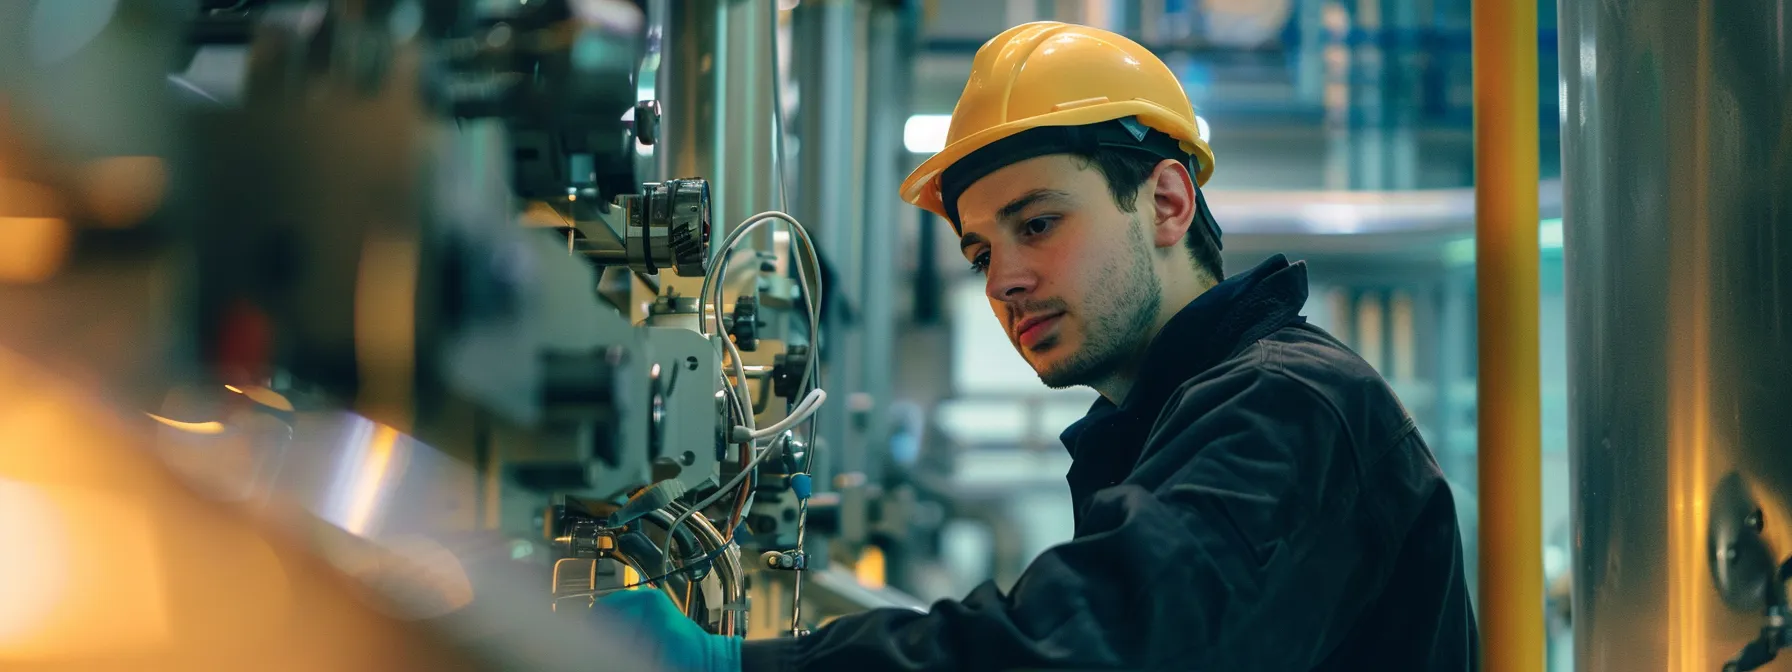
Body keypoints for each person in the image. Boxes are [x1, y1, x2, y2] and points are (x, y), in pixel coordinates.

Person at [598, 21, 1479, 671]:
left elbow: (1087, 648)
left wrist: (734, 667)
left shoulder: (1289, 405)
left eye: (1040, 223)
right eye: (982, 251)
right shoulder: (1161, 427)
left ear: (1167, 203)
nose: (1002, 281)